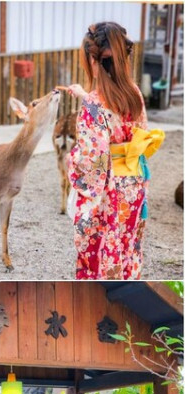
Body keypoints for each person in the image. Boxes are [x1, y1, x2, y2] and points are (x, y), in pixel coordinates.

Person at [65, 22, 164, 279]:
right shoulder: (135, 93)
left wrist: (71, 159)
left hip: (109, 191)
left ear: (92, 60)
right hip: (135, 185)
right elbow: (137, 131)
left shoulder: (94, 104)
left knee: (102, 253)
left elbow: (93, 161)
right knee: (127, 247)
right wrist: (86, 97)